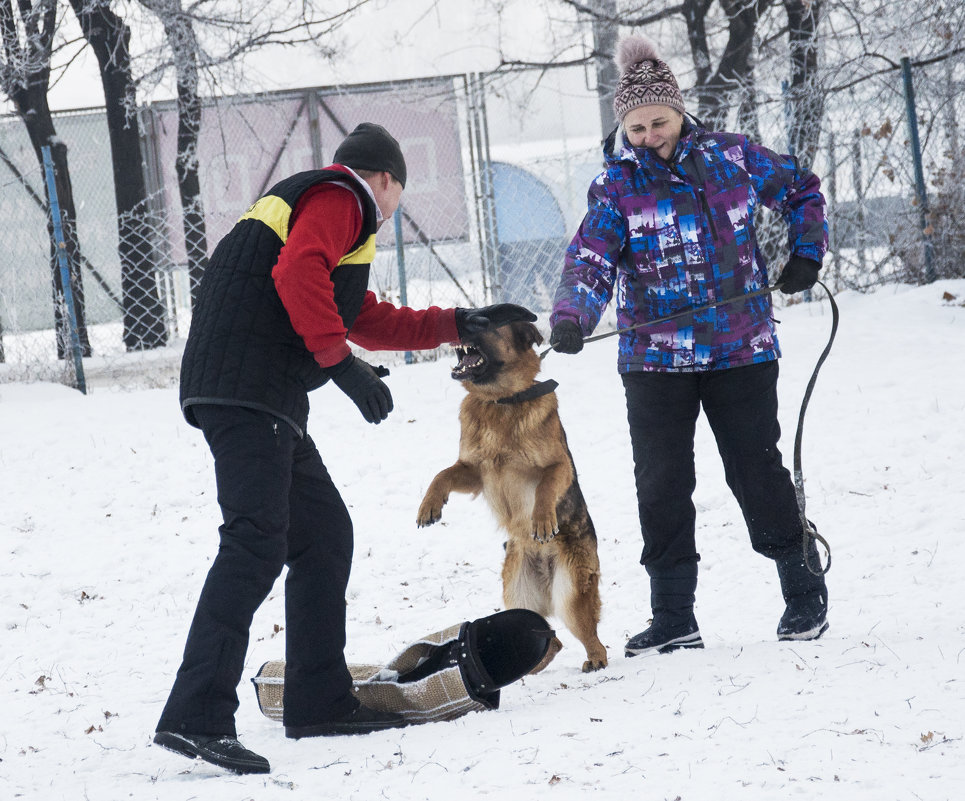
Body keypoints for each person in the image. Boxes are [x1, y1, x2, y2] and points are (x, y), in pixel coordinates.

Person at [153, 122, 536, 774]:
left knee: (323, 534)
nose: (389, 210)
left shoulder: (324, 208)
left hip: (257, 393)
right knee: (254, 542)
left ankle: (317, 699)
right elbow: (297, 271)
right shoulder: (343, 198)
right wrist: (341, 366)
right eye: (396, 196)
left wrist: (457, 324)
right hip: (251, 389)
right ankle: (196, 712)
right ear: (386, 179)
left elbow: (359, 313)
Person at [548, 36, 829, 658]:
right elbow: (590, 256)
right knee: (662, 484)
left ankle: (803, 588)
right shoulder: (617, 186)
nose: (650, 134)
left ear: (679, 111)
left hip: (742, 351)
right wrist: (572, 315)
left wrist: (807, 253)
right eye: (637, 126)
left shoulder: (733, 157)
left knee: (755, 471)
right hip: (654, 362)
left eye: (659, 120)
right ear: (624, 127)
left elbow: (803, 189)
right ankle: (674, 616)